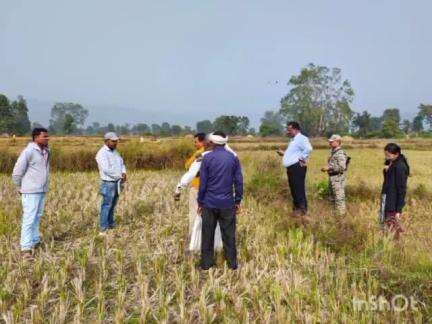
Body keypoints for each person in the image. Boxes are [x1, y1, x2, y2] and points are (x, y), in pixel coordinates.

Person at [198, 131, 243, 270]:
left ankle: (206, 264)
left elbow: (203, 183)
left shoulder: (207, 158)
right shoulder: (233, 158)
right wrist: (237, 200)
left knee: (207, 235)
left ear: (212, 143)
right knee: (229, 235)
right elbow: (239, 182)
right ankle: (232, 264)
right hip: (227, 203)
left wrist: (200, 201)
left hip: (209, 203)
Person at [174, 133, 223, 252]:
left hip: (198, 189)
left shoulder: (201, 155)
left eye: (196, 142)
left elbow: (189, 170)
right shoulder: (225, 156)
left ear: (205, 142)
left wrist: (178, 188)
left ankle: (195, 244)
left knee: (195, 216)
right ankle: (216, 245)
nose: (195, 144)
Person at [12, 128, 50, 259]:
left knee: (37, 216)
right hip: (30, 191)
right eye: (44, 136)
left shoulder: (45, 151)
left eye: (47, 136)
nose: (47, 138)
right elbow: (17, 171)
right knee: (29, 218)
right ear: (36, 137)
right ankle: (25, 248)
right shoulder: (28, 152)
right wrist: (19, 187)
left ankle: (35, 240)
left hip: (41, 190)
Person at [277, 122, 313, 215]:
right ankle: (297, 208)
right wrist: (284, 154)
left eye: (289, 130)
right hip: (291, 168)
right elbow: (294, 154)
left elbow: (309, 149)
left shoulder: (302, 138)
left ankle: (302, 210)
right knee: (293, 188)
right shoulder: (293, 140)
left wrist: (302, 158)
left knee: (298, 188)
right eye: (287, 130)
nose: (288, 132)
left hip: (297, 167)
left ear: (296, 129)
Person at [95, 132, 127, 235]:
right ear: (106, 141)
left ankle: (111, 223)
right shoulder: (101, 153)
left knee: (113, 205)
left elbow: (122, 163)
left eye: (116, 141)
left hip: (117, 182)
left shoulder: (115, 152)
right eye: (113, 141)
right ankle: (103, 228)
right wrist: (119, 175)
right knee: (107, 205)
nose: (115, 143)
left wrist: (124, 172)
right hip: (108, 183)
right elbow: (106, 169)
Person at [380, 143, 409, 240]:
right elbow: (388, 181)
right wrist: (386, 171)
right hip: (388, 198)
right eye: (386, 155)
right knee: (387, 225)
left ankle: (395, 247)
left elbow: (402, 189)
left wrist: (398, 210)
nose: (386, 157)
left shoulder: (400, 167)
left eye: (388, 155)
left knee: (392, 227)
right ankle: (388, 244)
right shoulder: (391, 163)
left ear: (396, 154)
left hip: (393, 202)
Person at [321, 134, 349, 215]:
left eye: (332, 142)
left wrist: (329, 168)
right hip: (333, 178)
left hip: (338, 179)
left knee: (339, 199)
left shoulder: (340, 153)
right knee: (332, 199)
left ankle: (341, 218)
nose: (330, 143)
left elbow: (342, 167)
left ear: (338, 142)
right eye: (330, 142)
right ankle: (334, 216)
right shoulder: (333, 152)